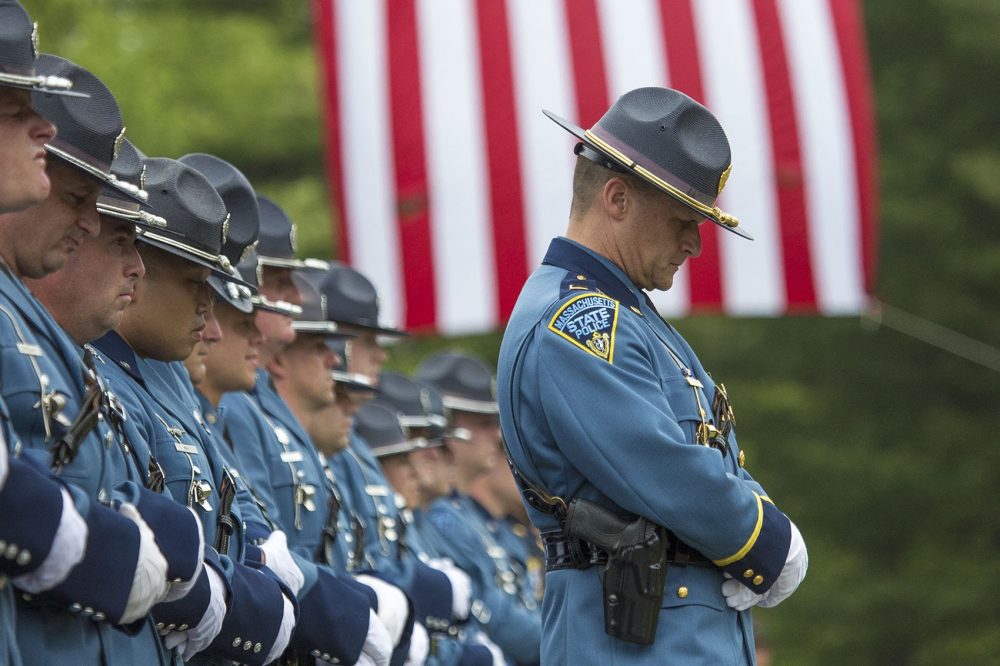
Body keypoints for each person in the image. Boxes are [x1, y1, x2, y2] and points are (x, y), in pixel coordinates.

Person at [496, 87, 808, 663]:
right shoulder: (577, 322)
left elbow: (717, 458)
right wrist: (766, 541)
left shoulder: (634, 319)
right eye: (681, 221)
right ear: (617, 199)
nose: (693, 243)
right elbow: (661, 465)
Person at [417, 353, 542, 666]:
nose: (497, 436)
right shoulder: (438, 514)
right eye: (483, 423)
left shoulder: (469, 516)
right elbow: (491, 611)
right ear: (443, 422)